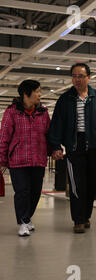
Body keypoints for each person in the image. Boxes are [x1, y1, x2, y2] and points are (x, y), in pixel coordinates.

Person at [48, 63, 96, 234]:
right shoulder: (65, 99)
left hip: (95, 145)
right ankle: (78, 220)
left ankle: (86, 216)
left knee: (93, 183)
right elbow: (56, 124)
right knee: (77, 185)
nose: (77, 79)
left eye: (80, 76)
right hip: (74, 146)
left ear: (88, 77)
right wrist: (56, 146)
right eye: (74, 76)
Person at [0, 80, 50, 236]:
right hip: (18, 160)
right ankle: (22, 223)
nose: (40, 94)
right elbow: (4, 137)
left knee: (35, 193)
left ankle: (27, 218)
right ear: (26, 94)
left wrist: (53, 150)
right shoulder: (11, 112)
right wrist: (2, 160)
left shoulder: (43, 112)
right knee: (22, 192)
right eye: (37, 91)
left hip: (38, 160)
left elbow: (49, 134)